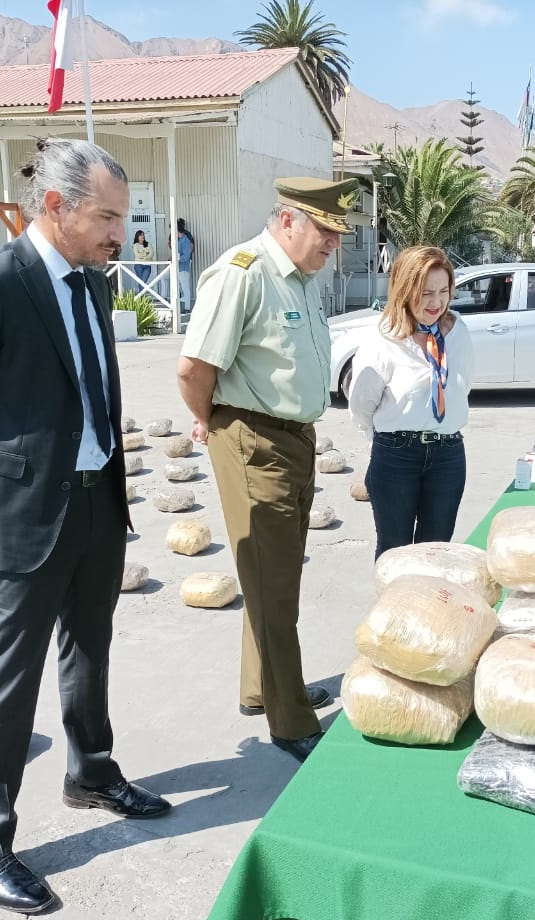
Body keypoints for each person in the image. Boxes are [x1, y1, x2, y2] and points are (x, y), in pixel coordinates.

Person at [0, 138, 172, 916]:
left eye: (122, 218)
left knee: (89, 646)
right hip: (22, 515)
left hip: (95, 503)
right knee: (9, 677)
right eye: (106, 216)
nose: (118, 233)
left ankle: (90, 771)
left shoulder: (92, 285)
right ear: (55, 206)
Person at [176, 176, 360, 763]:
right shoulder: (244, 273)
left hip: (293, 438)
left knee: (272, 574)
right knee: (274, 582)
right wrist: (210, 423)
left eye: (338, 233)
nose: (333, 243)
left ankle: (261, 686)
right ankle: (290, 721)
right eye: (325, 231)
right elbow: (193, 368)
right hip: (254, 439)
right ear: (288, 221)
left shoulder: (300, 280)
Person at [348, 245, 475, 558]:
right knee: (395, 551)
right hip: (396, 456)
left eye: (443, 291)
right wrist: (379, 442)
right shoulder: (384, 339)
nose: (436, 302)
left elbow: (462, 387)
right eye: (426, 292)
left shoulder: (459, 333)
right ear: (405, 290)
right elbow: (361, 404)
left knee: (435, 551)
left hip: (448, 455)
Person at [174, 218, 195, 312]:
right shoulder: (179, 240)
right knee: (181, 286)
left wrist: (177, 259)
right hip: (178, 267)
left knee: (185, 286)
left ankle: (187, 307)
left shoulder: (185, 240)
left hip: (183, 267)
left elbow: (186, 255)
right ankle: (182, 305)